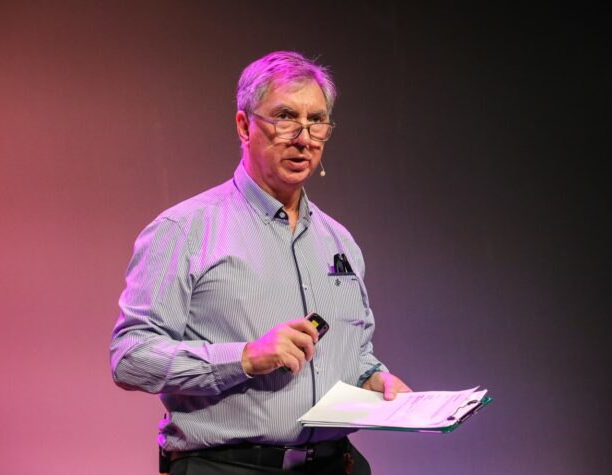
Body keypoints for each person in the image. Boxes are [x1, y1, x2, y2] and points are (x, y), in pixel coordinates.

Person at [110, 50, 411, 475]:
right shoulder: (184, 230)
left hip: (334, 464)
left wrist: (376, 380)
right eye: (285, 117)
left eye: (317, 120)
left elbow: (356, 353)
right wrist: (245, 358)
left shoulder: (339, 241)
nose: (304, 137)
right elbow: (130, 356)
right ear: (244, 126)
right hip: (227, 467)